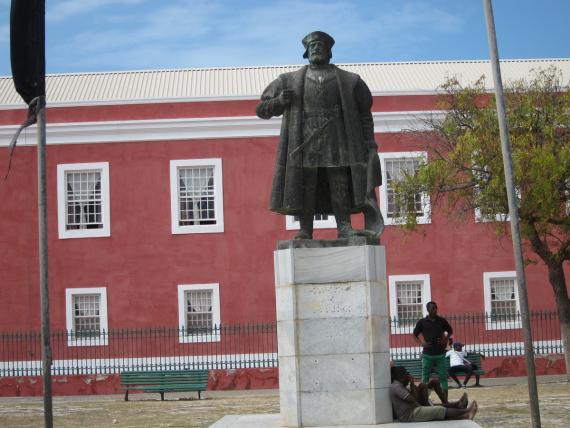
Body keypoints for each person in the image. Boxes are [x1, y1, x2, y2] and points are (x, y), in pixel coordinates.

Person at [256, 31, 384, 240]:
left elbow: (364, 114)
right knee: (307, 186)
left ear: (329, 52)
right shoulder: (288, 80)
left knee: (340, 183)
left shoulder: (350, 81)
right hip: (305, 141)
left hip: (339, 140)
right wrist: (279, 101)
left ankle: (344, 227)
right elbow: (262, 109)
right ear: (306, 52)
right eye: (313, 46)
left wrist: (370, 142)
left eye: (321, 46)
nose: (317, 48)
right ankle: (305, 230)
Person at [390, 366, 478, 422]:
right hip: (409, 415)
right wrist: (412, 384)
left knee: (437, 410)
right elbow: (413, 399)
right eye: (406, 374)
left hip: (412, 410)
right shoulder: (396, 387)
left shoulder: (399, 385)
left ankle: (464, 413)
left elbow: (413, 400)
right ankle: (466, 412)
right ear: (401, 376)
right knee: (438, 410)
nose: (408, 376)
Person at [412, 301, 453, 400]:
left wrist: (445, 339)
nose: (435, 310)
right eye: (433, 308)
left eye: (436, 308)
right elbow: (414, 334)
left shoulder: (442, 321)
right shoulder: (422, 322)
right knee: (425, 377)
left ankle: (445, 400)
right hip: (427, 355)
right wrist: (422, 343)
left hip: (440, 354)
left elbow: (450, 330)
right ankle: (423, 399)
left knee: (443, 377)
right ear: (428, 310)